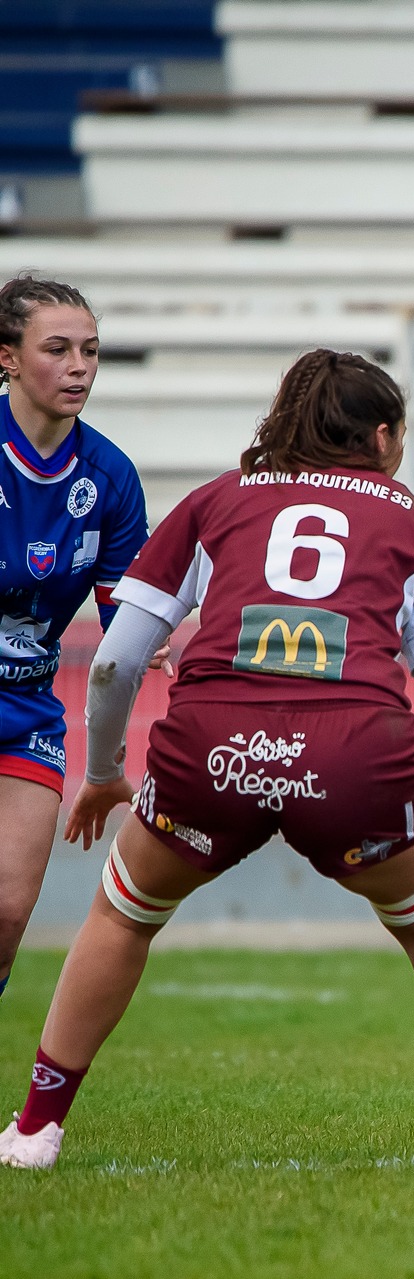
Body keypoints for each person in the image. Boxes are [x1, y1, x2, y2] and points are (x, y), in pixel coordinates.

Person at [0, 349, 414, 1170]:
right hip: (357, 756)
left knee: (123, 912)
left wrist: (103, 769)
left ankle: (35, 1129)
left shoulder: (218, 500)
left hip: (215, 746)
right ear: (383, 435)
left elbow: (113, 662)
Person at [0, 274, 153, 1017]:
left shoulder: (111, 478)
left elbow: (125, 616)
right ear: (7, 357)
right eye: (56, 348)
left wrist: (144, 634)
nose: (79, 366)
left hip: (26, 707)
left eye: (90, 350)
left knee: (5, 913)